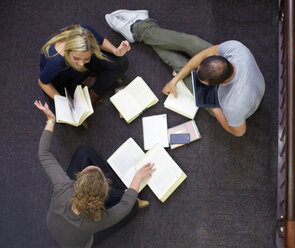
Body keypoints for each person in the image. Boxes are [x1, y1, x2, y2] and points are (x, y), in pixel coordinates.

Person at [105, 10, 265, 137]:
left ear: (219, 85)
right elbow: (202, 56)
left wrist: (216, 109)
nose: (196, 68)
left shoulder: (233, 106)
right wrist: (175, 81)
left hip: (229, 105)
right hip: (242, 85)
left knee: (177, 63)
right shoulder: (236, 49)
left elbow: (239, 132)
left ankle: (140, 28)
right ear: (220, 59)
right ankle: (141, 28)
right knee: (191, 42)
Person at [34, 100, 155, 248]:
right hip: (81, 243)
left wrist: (50, 120)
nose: (90, 167)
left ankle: (122, 191)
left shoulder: (63, 187)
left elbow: (44, 153)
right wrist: (137, 177)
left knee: (84, 152)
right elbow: (127, 204)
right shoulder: (98, 221)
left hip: (54, 225)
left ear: (77, 181)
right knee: (133, 208)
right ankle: (122, 191)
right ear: (104, 195)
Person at [38, 24, 131, 107]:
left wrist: (116, 51)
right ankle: (90, 76)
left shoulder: (85, 34)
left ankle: (93, 94)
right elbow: (42, 82)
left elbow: (101, 42)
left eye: (86, 58)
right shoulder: (56, 62)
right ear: (67, 51)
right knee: (65, 115)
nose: (81, 64)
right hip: (62, 75)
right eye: (76, 58)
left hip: (72, 67)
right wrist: (63, 101)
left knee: (122, 63)